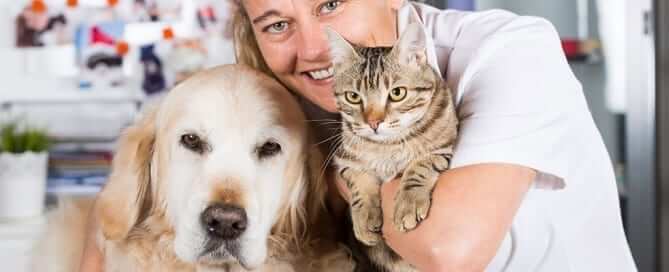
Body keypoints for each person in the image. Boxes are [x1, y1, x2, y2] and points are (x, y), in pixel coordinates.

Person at [80, 1, 637, 271]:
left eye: (331, 3)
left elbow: (448, 248)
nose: (316, 47)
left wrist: (330, 172)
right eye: (278, 23)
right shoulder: (293, 104)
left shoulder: (511, 50)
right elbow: (118, 213)